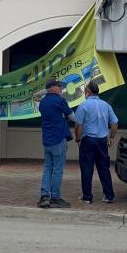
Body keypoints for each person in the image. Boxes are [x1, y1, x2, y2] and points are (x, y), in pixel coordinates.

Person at [74, 81, 118, 204]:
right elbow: (114, 123)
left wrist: (78, 139)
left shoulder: (83, 105)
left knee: (87, 168)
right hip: (102, 140)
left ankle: (87, 197)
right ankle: (109, 196)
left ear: (88, 92)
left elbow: (78, 125)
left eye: (85, 90)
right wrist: (111, 138)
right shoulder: (106, 105)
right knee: (104, 167)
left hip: (88, 139)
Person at [37, 78, 74, 209]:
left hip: (47, 140)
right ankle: (56, 197)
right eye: (58, 86)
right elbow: (72, 117)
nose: (61, 88)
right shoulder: (60, 101)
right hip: (58, 140)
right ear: (51, 88)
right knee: (58, 170)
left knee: (48, 169)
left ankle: (44, 196)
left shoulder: (42, 103)